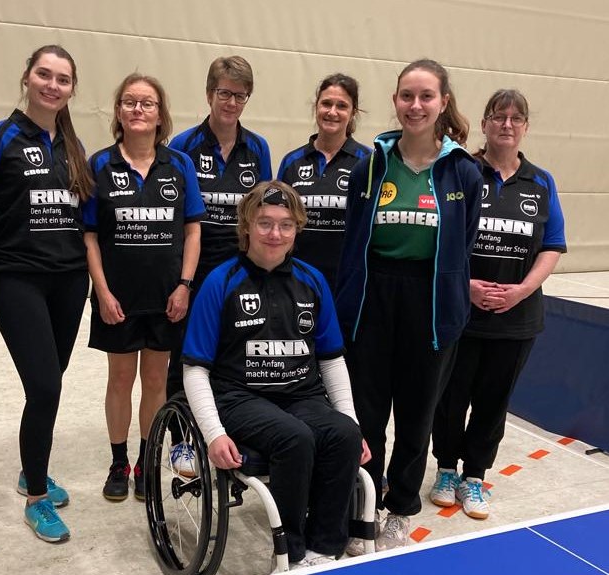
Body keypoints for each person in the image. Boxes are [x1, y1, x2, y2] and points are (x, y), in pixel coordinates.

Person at [182, 181, 370, 570]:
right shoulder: (221, 281)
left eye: (285, 224)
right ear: (246, 226)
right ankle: (291, 553)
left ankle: (323, 551)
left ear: (297, 229)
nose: (275, 233)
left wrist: (349, 418)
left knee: (345, 434)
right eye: (265, 223)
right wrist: (213, 433)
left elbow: (332, 361)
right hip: (240, 398)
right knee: (294, 438)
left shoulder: (313, 281)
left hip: (302, 395)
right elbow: (195, 368)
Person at [336, 59, 483, 551]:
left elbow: (462, 246)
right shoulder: (371, 165)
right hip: (373, 297)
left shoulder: (464, 171)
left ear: (443, 102)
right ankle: (365, 506)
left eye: (425, 96)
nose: (415, 106)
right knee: (368, 413)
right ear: (395, 101)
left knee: (418, 415)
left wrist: (451, 297)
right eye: (406, 96)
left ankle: (399, 509)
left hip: (431, 301)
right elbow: (355, 238)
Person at [429, 89, 566, 520]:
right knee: (450, 399)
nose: (506, 124)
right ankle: (446, 470)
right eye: (498, 117)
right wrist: (464, 285)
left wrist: (523, 290)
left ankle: (474, 477)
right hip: (461, 313)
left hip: (516, 318)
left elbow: (553, 245)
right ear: (485, 123)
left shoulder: (541, 182)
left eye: (515, 118)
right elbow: (440, 236)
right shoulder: (463, 172)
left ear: (525, 127)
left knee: (493, 401)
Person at [0, 45, 93, 542]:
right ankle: (37, 500)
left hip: (70, 281)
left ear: (72, 89)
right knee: (45, 386)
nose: (52, 84)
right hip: (18, 279)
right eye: (44, 74)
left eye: (62, 79)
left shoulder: (73, 146)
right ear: (26, 77)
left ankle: (33, 468)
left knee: (49, 384)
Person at [82, 73, 205, 502]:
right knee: (120, 380)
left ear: (159, 114)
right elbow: (91, 235)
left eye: (147, 103)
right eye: (130, 102)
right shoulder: (100, 164)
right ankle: (118, 462)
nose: (138, 109)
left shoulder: (180, 165)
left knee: (155, 380)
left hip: (166, 297)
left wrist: (185, 285)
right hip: (119, 298)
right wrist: (102, 291)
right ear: (119, 111)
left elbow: (192, 230)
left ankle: (146, 460)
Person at [165, 55, 272, 474]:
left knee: (234, 357)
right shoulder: (183, 148)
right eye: (224, 93)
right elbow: (176, 217)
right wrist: (183, 281)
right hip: (193, 271)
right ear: (210, 93)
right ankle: (181, 442)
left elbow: (262, 212)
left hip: (240, 273)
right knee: (186, 359)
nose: (231, 102)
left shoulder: (258, 147)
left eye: (239, 95)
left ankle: (230, 434)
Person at [278, 73, 370, 288]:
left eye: (342, 106)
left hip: (348, 280)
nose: (332, 112)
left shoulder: (368, 162)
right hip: (297, 278)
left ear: (353, 112)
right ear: (316, 107)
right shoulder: (292, 162)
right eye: (326, 104)